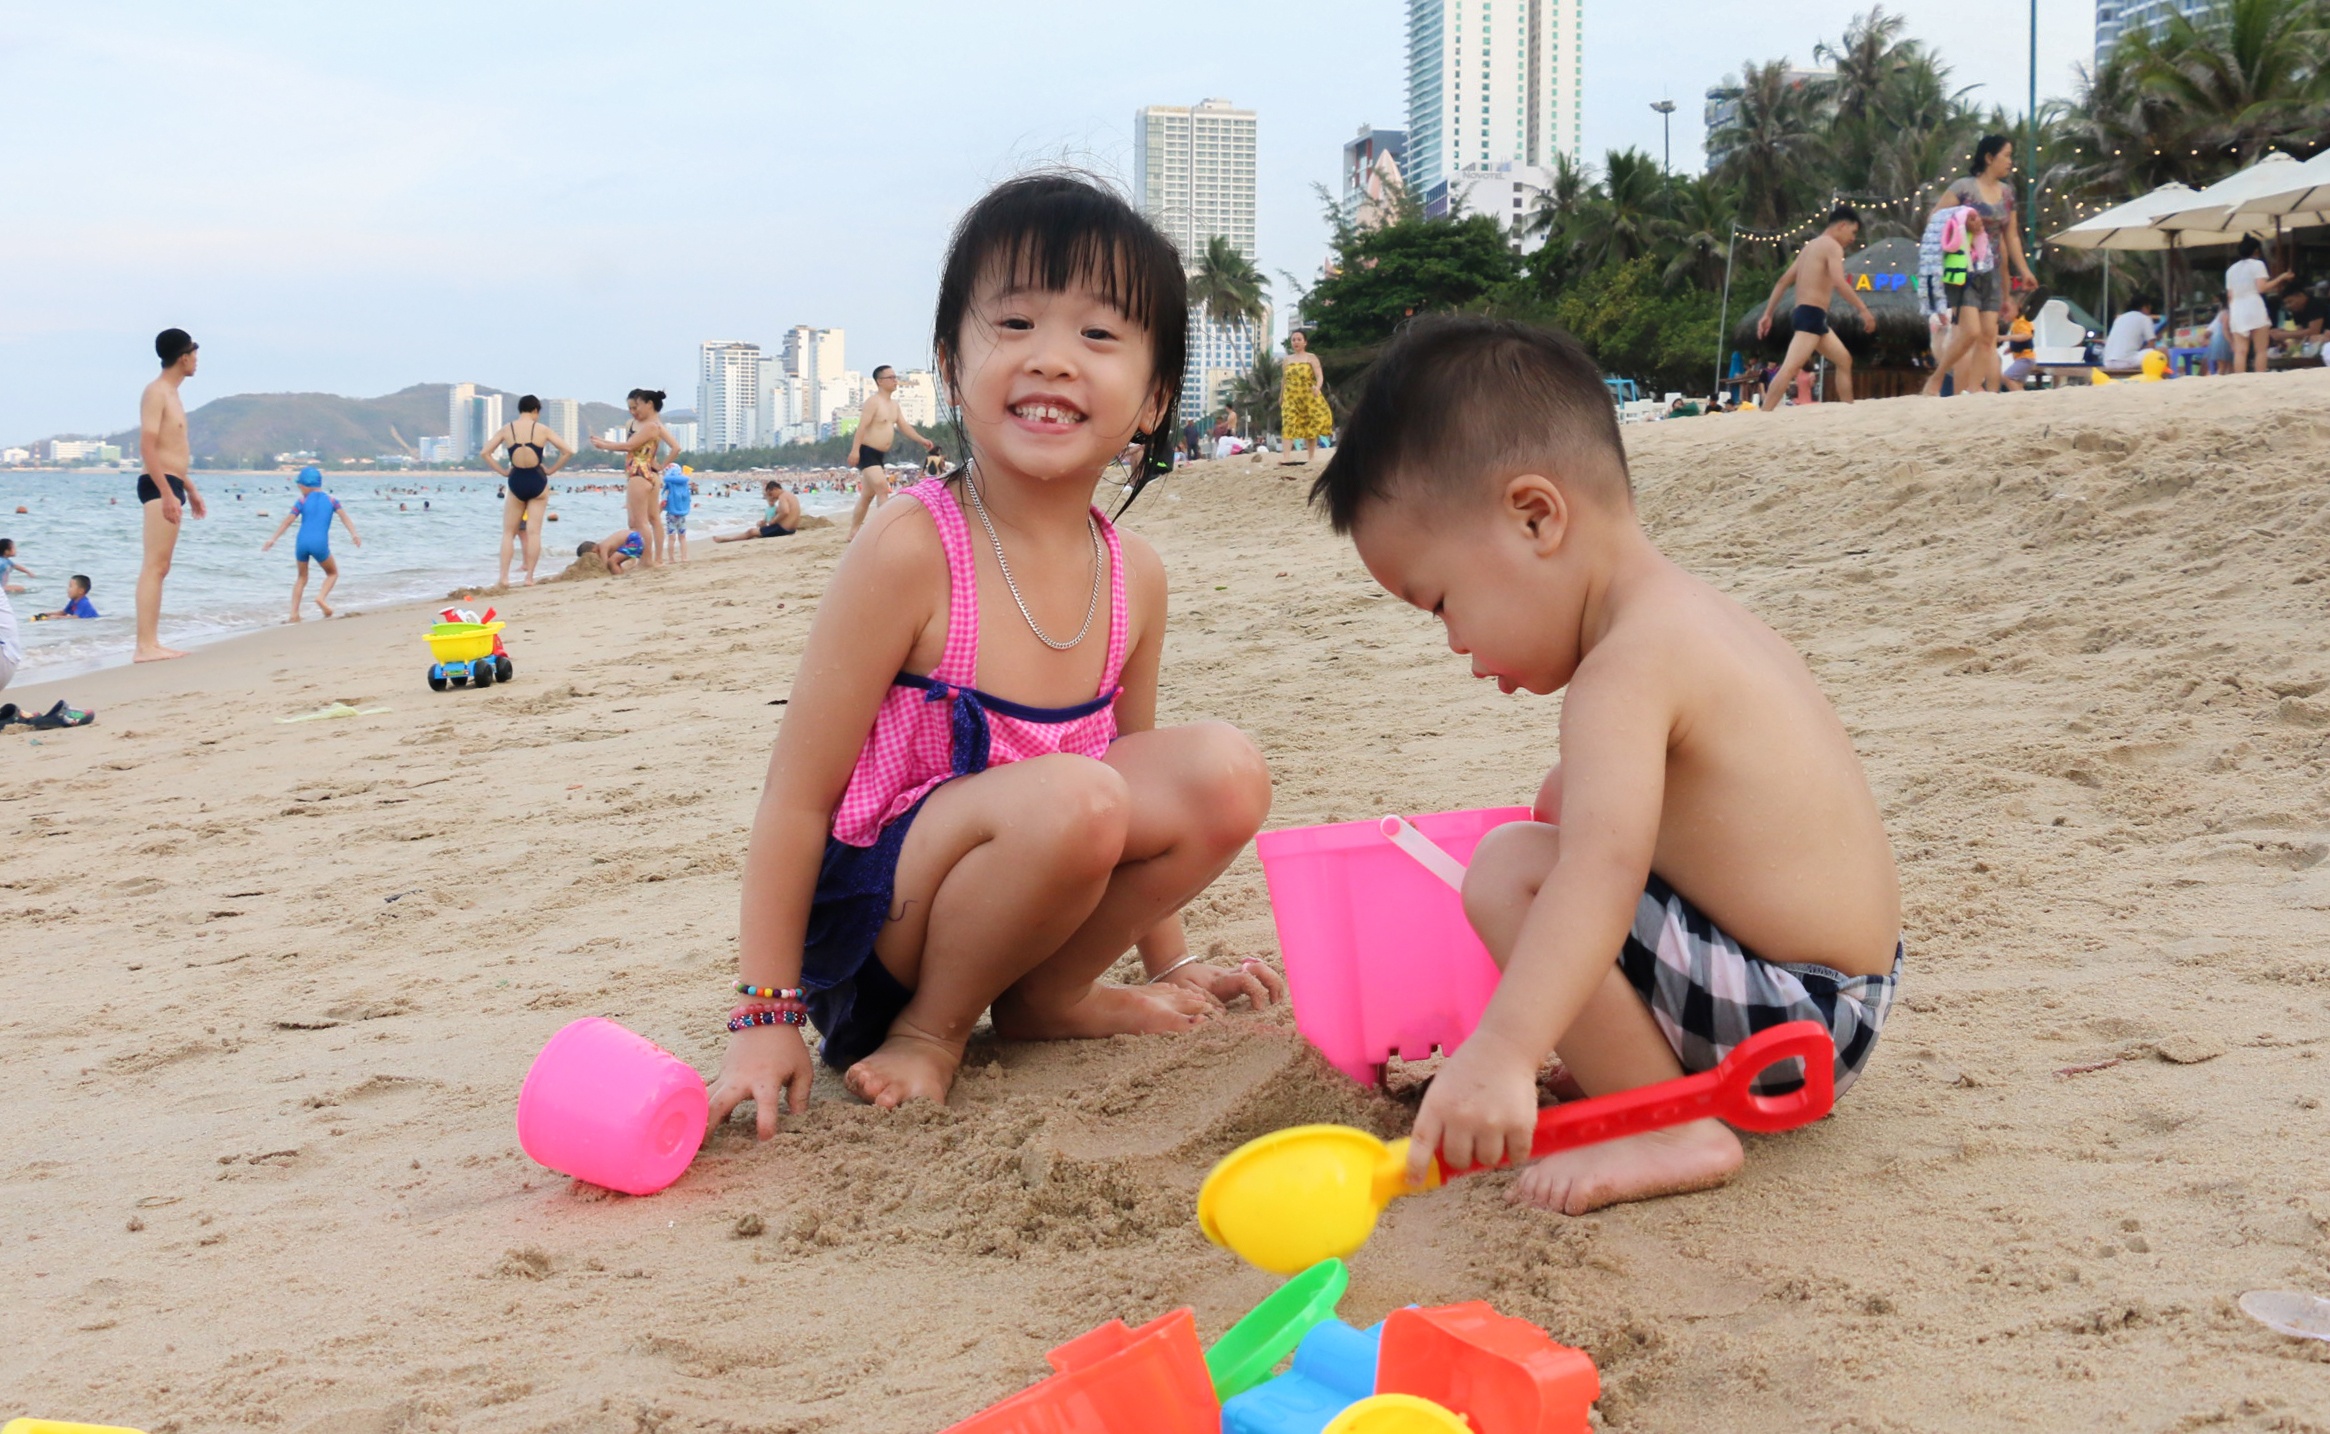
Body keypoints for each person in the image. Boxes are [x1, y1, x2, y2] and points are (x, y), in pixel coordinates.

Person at [705, 173, 1278, 1135]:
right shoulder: (911, 546)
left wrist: (1169, 962)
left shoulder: (1133, 572)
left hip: (1033, 907)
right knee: (1076, 793)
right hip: (884, 944)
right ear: (949, 364)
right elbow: (797, 797)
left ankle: (1046, 999)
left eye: (1098, 336)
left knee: (1220, 772)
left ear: (1154, 398)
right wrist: (767, 1017)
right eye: (1014, 324)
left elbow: (1132, 792)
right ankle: (933, 1034)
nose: (1053, 360)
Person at [1311, 315, 1901, 1214]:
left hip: (1796, 1026)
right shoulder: (1689, 615)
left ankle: (1667, 1125)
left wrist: (1502, 1051)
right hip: (1835, 1001)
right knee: (1562, 805)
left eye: (1441, 603)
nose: (1457, 643)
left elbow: (1603, 872)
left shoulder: (1624, 669)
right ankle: (1646, 1077)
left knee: (1514, 870)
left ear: (1536, 516)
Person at [1919, 136, 2038, 397]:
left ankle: (1975, 389)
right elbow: (1934, 219)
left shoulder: (2007, 194)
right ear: (1989, 157)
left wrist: (2025, 270)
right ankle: (1937, 379)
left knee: (1987, 336)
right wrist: (1964, 223)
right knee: (1970, 332)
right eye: (2006, 155)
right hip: (1962, 269)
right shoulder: (1963, 187)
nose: (2010, 161)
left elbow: (2012, 236)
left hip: (1992, 270)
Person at [1754, 206, 1874, 411]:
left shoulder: (1809, 248)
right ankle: (1764, 413)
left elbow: (1783, 281)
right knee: (1790, 368)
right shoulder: (1832, 246)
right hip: (1810, 315)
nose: (1853, 238)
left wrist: (1767, 314)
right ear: (1842, 225)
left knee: (1844, 360)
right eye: (1853, 232)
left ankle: (1848, 410)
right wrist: (1863, 309)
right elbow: (1839, 281)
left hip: (1811, 316)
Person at [135, 328, 207, 662]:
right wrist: (166, 492)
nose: (196, 359)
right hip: (158, 484)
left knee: (162, 567)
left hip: (172, 483)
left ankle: (152, 642)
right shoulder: (157, 392)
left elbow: (172, 450)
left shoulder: (174, 395)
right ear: (183, 356)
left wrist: (189, 489)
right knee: (154, 565)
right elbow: (147, 446)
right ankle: (144, 646)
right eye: (194, 352)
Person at [484, 395, 573, 587]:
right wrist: (551, 470)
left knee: (508, 533)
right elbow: (568, 451)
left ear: (520, 409)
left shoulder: (507, 429)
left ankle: (504, 578)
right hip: (537, 479)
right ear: (536, 411)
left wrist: (503, 472)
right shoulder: (542, 429)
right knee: (534, 533)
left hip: (516, 479)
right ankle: (529, 578)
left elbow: (485, 452)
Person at [847, 365, 941, 539]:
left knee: (867, 495)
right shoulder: (873, 402)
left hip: (879, 455)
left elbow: (904, 427)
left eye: (895, 377)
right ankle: (887, 531)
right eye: (890, 377)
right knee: (883, 488)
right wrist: (855, 451)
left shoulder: (894, 405)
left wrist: (922, 440)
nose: (895, 380)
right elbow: (862, 427)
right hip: (866, 452)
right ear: (880, 382)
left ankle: (853, 532)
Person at [589, 389, 679, 568]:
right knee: (649, 519)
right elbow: (639, 447)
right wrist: (657, 465)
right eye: (630, 408)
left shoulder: (653, 426)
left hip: (640, 473)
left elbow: (630, 446)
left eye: (636, 407)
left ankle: (647, 559)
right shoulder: (638, 424)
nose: (633, 411)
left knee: (640, 521)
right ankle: (649, 558)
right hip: (646, 473)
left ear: (649, 404)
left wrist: (603, 444)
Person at [261, 466, 363, 621]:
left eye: (300, 486)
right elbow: (345, 517)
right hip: (319, 543)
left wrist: (273, 539)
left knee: (301, 577)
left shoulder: (302, 501)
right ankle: (321, 598)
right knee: (332, 573)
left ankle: (294, 614)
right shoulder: (332, 500)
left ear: (305, 485)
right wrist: (354, 534)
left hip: (301, 543)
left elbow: (288, 521)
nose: (299, 489)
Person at [2226, 237, 2296, 375]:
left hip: (2237, 307)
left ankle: (2239, 377)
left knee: (2240, 350)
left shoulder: (2231, 270)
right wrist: (2281, 277)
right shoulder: (2257, 265)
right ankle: (2260, 376)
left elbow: (2230, 295)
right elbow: (2261, 288)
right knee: (2261, 349)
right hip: (2254, 305)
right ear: (2256, 251)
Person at [1278, 330, 1333, 465]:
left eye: (1298, 339)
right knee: (1288, 423)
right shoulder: (1286, 360)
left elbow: (1319, 376)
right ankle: (1286, 457)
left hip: (1308, 396)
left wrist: (1317, 387)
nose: (1295, 342)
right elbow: (1284, 380)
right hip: (1291, 396)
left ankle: (1311, 456)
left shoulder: (1311, 358)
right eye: (1293, 340)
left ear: (1305, 342)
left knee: (1310, 425)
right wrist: (1281, 396)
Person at [714, 481, 801, 542]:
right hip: (791, 529)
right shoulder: (790, 495)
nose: (772, 497)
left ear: (774, 489)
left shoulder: (782, 497)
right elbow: (783, 512)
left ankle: (728, 539)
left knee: (751, 532)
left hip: (784, 530)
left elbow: (785, 512)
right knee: (760, 528)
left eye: (771, 494)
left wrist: (773, 521)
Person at [2101, 293, 2161, 373]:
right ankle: (2166, 377)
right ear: (2145, 307)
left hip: (2107, 362)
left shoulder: (2119, 319)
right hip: (2126, 362)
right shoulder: (2144, 318)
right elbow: (2152, 345)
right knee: (2162, 351)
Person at [1999, 294, 2037, 391]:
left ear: (2018, 307)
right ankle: (2022, 399)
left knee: (2007, 377)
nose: (2004, 315)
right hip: (2024, 358)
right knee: (2018, 383)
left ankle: (2020, 397)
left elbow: (2026, 336)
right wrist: (2012, 348)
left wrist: (2006, 337)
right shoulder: (2016, 322)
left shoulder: (2022, 321)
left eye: (2007, 311)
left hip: (2025, 358)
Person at [578, 528, 646, 576]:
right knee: (615, 561)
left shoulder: (603, 547)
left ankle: (619, 576)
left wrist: (600, 572)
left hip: (633, 540)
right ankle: (620, 573)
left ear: (593, 550)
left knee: (612, 562)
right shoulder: (605, 545)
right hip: (634, 538)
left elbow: (605, 563)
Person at [662, 463, 693, 561]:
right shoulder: (684, 485)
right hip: (682, 515)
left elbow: (664, 500)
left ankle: (671, 559)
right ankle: (684, 557)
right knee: (682, 537)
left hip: (671, 515)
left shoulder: (669, 485)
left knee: (671, 538)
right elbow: (689, 499)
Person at [34, 574, 100, 620]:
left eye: (71, 586)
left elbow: (75, 617)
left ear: (81, 591)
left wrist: (57, 618)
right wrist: (46, 614)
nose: (68, 589)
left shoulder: (84, 603)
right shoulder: (73, 601)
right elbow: (63, 612)